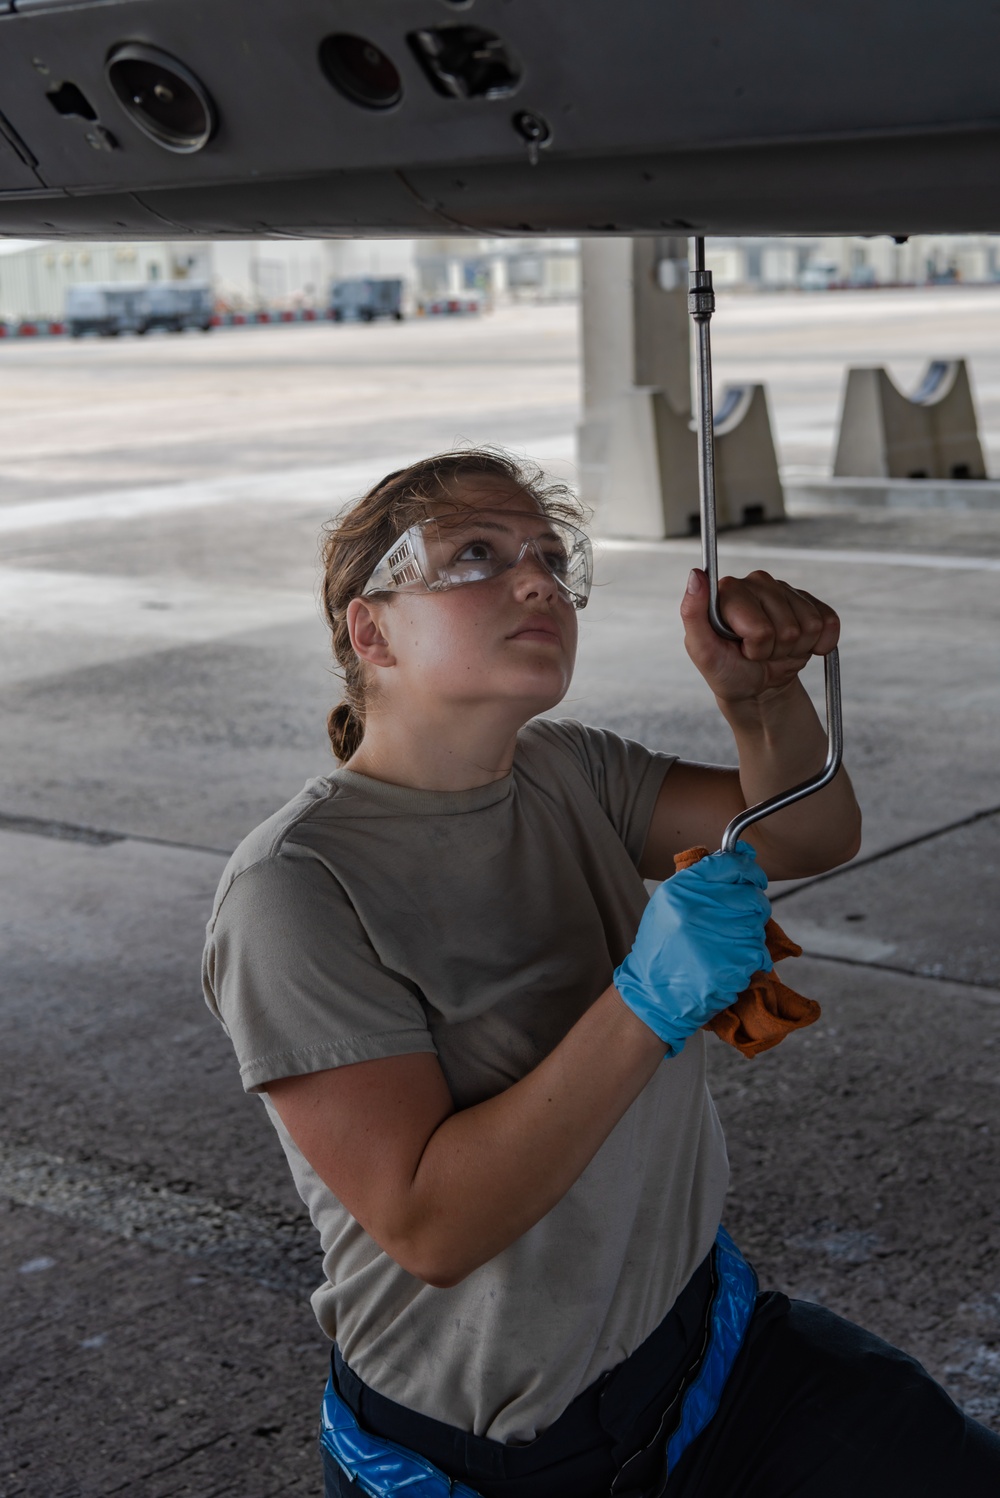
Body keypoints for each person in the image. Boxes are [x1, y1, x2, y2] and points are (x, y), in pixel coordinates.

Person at [203, 449, 1000, 1497]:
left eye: (548, 555)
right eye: (475, 554)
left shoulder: (568, 770)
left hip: (708, 1344)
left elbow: (809, 829)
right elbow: (432, 1225)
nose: (536, 579)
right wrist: (647, 1000)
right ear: (370, 629)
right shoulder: (295, 887)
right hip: (501, 1450)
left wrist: (760, 699)